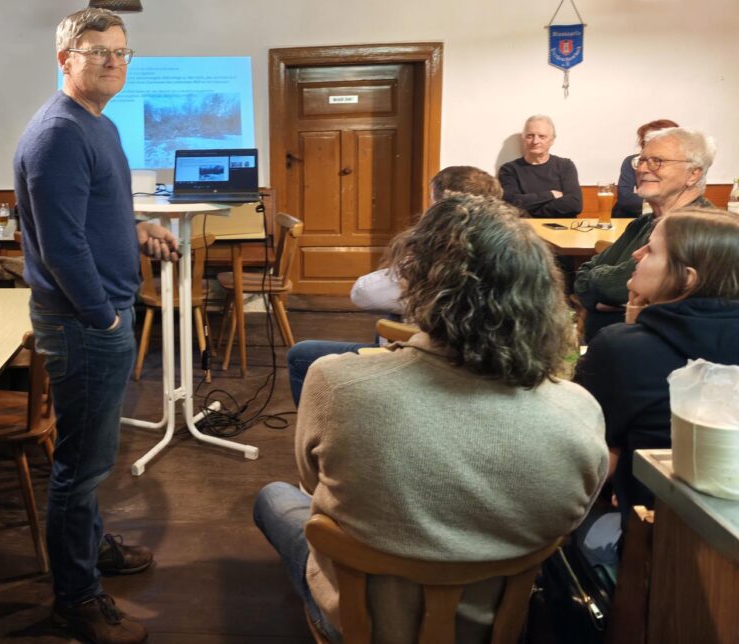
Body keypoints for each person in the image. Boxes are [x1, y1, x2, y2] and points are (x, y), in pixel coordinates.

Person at [254, 195, 608, 643]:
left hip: (363, 623)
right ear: (544, 295)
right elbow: (569, 519)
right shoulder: (579, 410)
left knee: (274, 497)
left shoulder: (336, 381)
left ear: (419, 287)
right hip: (494, 626)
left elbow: (311, 480)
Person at [14, 7, 179, 644]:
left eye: (121, 51)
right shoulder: (59, 133)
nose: (113, 61)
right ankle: (76, 598)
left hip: (96, 316)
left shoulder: (97, 124)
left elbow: (88, 215)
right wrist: (105, 318)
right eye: (97, 50)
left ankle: (89, 547)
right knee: (80, 467)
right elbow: (61, 246)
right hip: (84, 324)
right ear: (66, 59)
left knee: (90, 461)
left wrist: (138, 229)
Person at [287, 166, 502, 405]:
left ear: (442, 206)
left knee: (301, 355)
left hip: (424, 364)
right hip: (483, 368)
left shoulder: (434, 256)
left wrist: (404, 260)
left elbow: (363, 293)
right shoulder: (508, 253)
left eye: (431, 200)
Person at [576, 209, 739, 518]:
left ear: (686, 279)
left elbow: (591, 461)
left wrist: (629, 331)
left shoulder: (622, 349)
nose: (636, 254)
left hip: (650, 525)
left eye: (650, 250)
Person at [575, 127, 714, 341]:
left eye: (657, 161)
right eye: (641, 160)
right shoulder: (642, 223)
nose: (642, 169)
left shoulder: (697, 228)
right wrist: (603, 297)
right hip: (609, 344)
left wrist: (600, 288)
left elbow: (614, 288)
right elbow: (582, 276)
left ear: (693, 174)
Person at [498, 114, 582, 218]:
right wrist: (550, 195)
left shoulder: (565, 166)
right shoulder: (509, 169)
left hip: (563, 227)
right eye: (530, 136)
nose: (535, 141)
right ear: (523, 139)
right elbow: (510, 204)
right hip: (526, 227)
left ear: (552, 140)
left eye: (542, 136)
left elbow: (574, 205)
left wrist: (530, 210)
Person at [614, 118, 678, 218]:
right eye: (646, 142)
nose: (643, 169)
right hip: (633, 218)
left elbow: (682, 199)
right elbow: (625, 198)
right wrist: (659, 202)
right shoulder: (633, 162)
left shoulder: (679, 164)